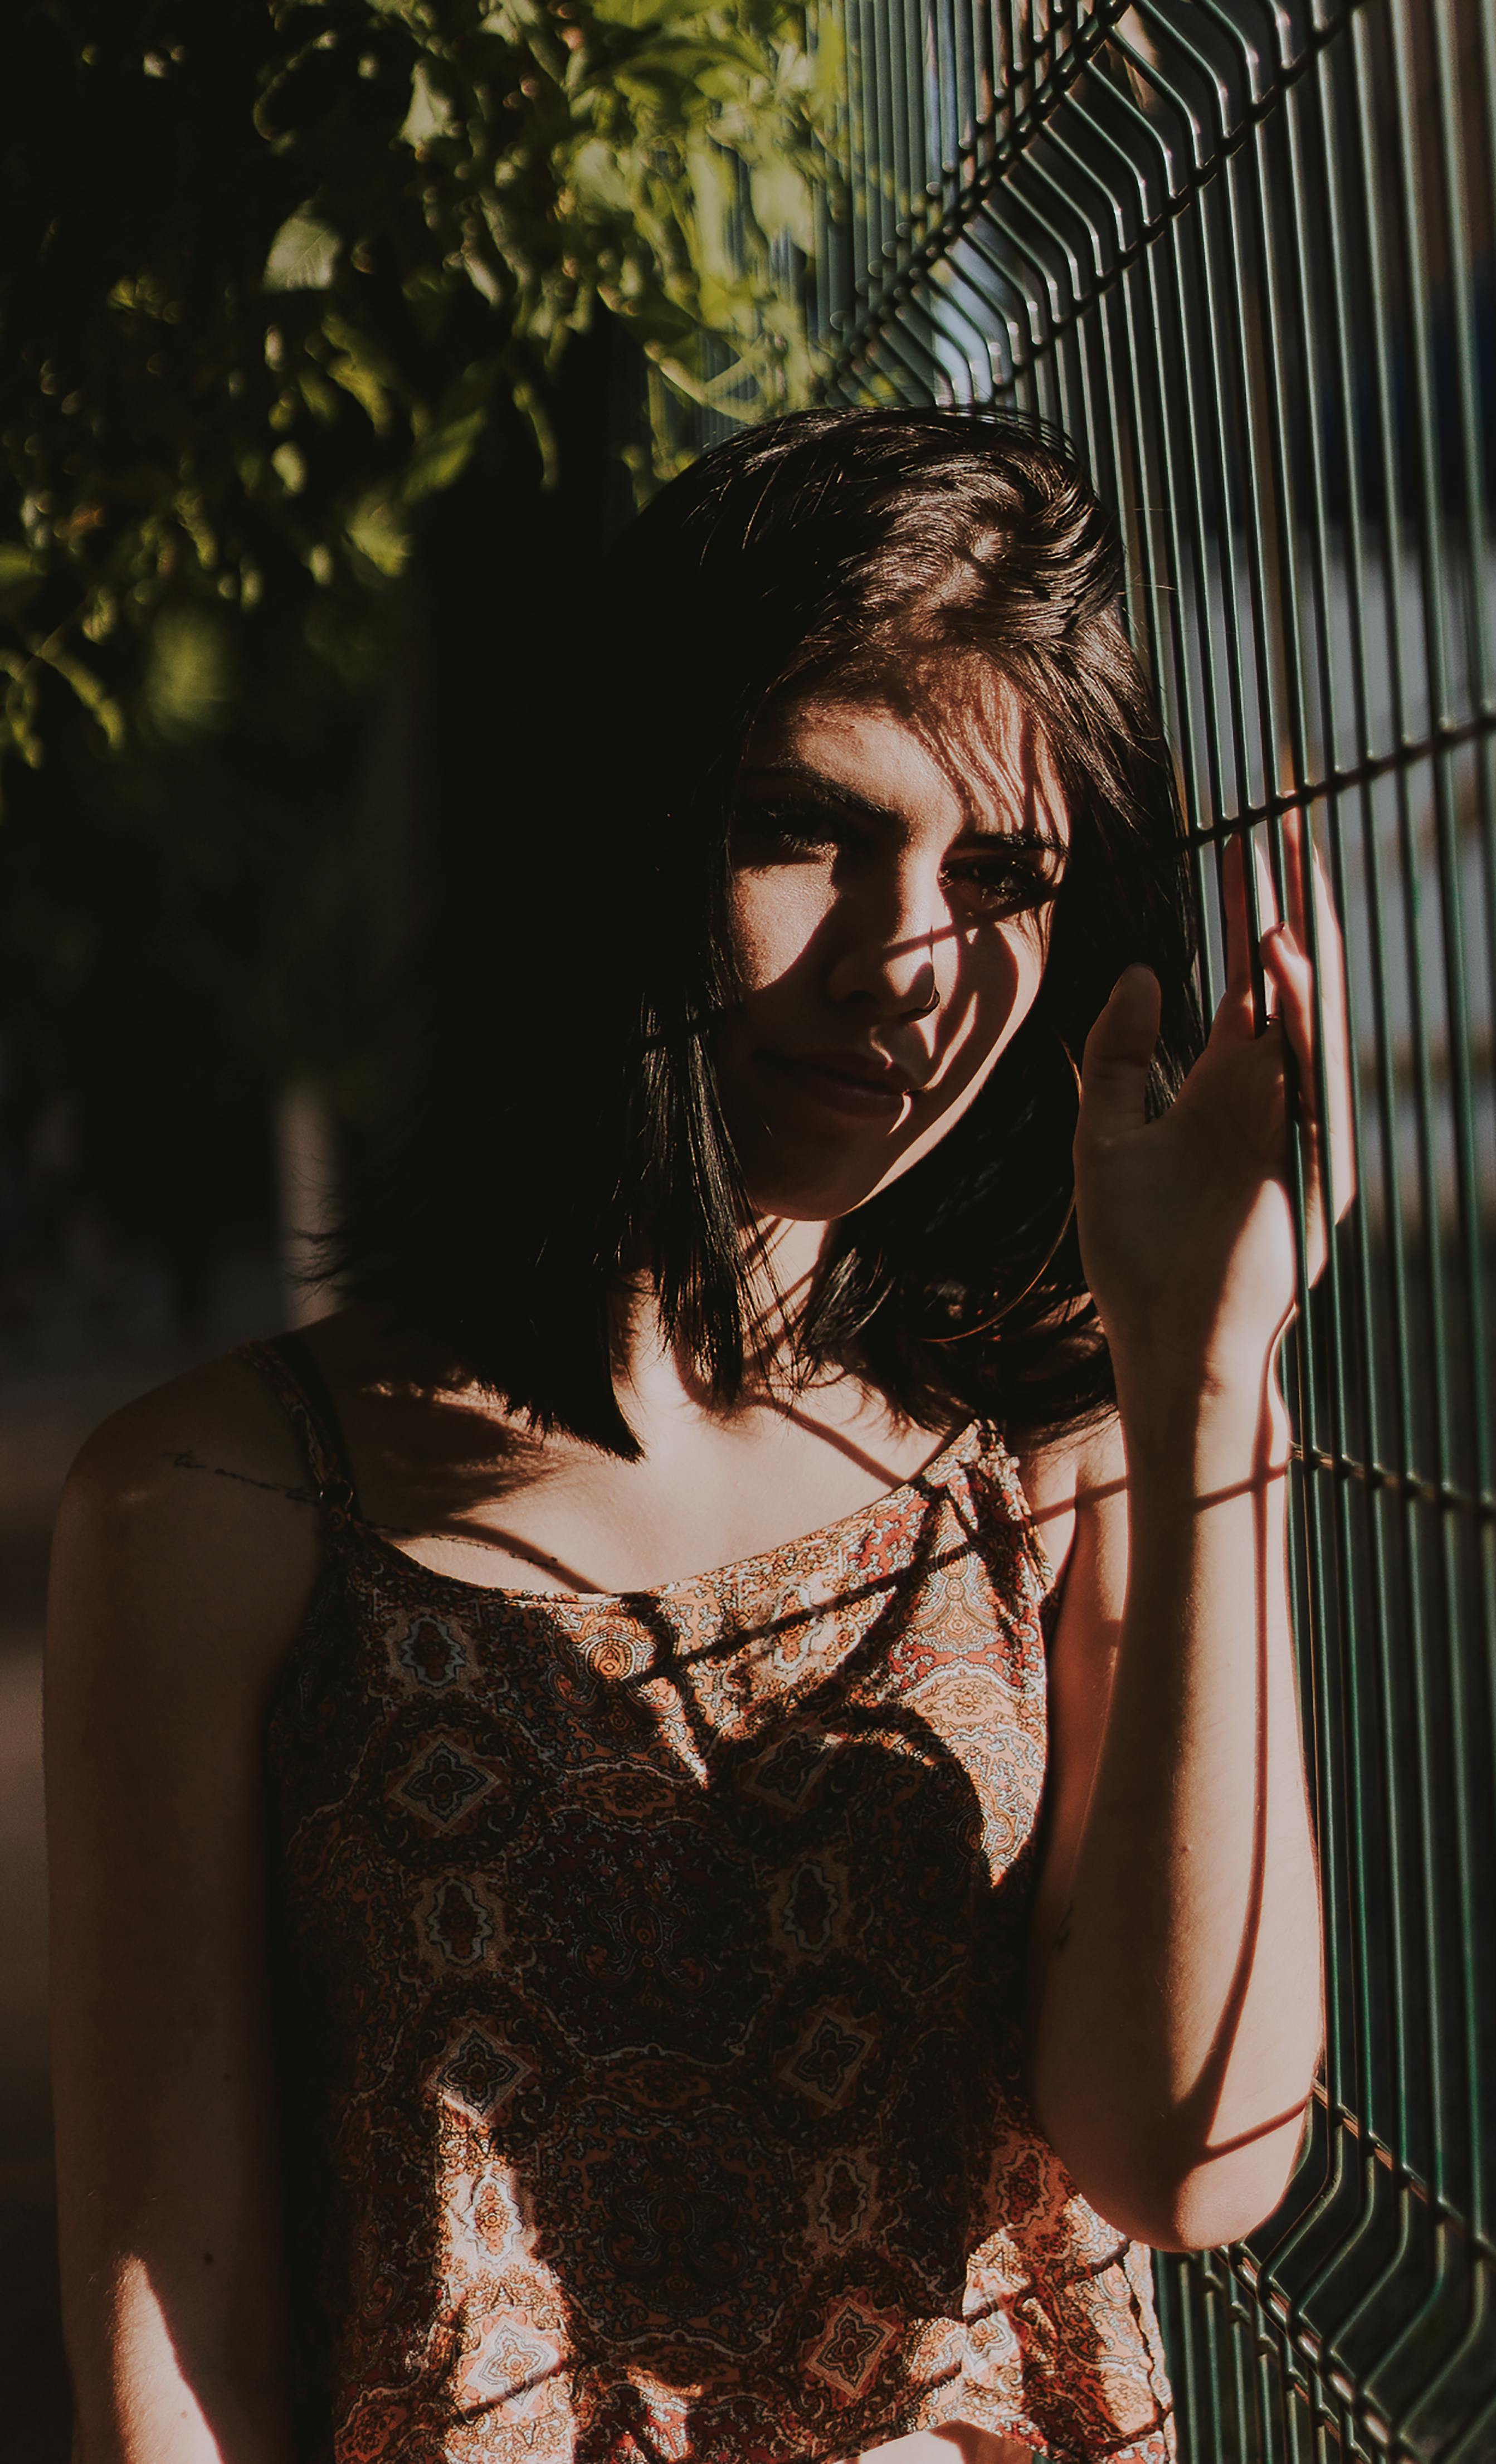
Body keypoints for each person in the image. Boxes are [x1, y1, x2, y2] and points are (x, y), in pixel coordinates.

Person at [46, 408, 1351, 2464]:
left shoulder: (1070, 1459)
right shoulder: (213, 1510)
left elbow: (1190, 2160)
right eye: (801, 827)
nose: (908, 964)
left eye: (998, 872)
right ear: (621, 831)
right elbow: (171, 2325)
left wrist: (1209, 1374)